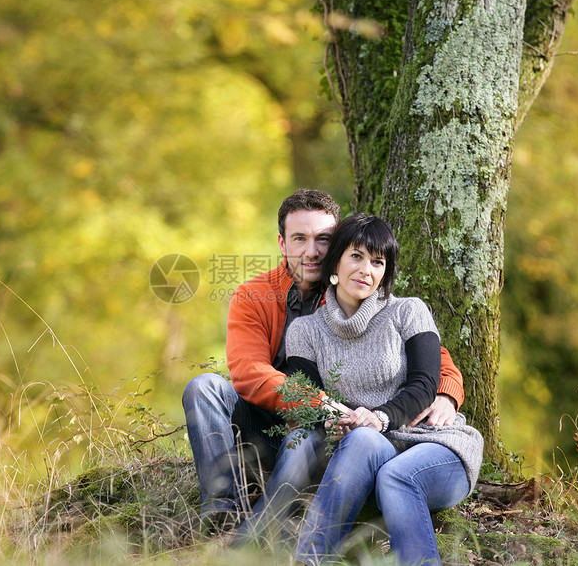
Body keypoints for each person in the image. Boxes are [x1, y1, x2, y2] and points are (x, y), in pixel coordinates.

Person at [181, 189, 466, 532]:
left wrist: (448, 392)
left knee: (306, 437)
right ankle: (223, 514)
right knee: (203, 387)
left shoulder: (352, 294)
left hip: (318, 438)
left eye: (323, 239)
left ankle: (271, 526)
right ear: (282, 243)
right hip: (265, 428)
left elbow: (425, 351)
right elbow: (248, 372)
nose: (312, 251)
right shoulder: (252, 295)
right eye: (299, 238)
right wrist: (322, 404)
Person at [269, 214, 484, 565]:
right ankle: (309, 559)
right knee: (366, 442)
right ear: (335, 261)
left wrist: (380, 417)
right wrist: (331, 420)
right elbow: (309, 399)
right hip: (362, 451)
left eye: (377, 262)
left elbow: (425, 384)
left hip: (434, 443)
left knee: (396, 476)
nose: (366, 269)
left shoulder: (408, 312)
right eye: (356, 256)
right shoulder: (305, 333)